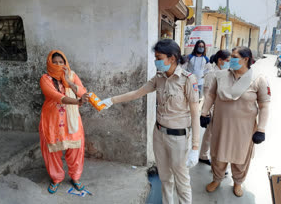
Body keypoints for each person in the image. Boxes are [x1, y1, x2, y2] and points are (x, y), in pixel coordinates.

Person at [98, 39, 200, 204]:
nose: (156, 61)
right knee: (165, 177)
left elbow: (195, 113)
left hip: (178, 138)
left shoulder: (188, 79)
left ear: (172, 58)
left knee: (182, 180)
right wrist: (111, 100)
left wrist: (195, 147)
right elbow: (137, 93)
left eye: (159, 58)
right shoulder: (159, 77)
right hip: (159, 134)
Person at [201, 46, 271, 197]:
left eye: (234, 57)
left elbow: (264, 105)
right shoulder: (220, 76)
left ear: (246, 59)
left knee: (240, 158)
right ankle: (217, 179)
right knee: (218, 155)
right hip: (221, 125)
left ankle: (238, 182)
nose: (231, 60)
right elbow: (211, 95)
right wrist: (204, 112)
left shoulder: (258, 79)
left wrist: (261, 129)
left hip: (244, 129)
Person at [39, 50, 89, 194]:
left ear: (66, 63)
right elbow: (55, 96)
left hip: (72, 120)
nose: (58, 65)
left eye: (61, 62)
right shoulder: (45, 79)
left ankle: (76, 177)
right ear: (50, 63)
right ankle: (56, 178)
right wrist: (77, 102)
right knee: (52, 150)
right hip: (52, 119)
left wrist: (69, 80)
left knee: (76, 149)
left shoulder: (72, 75)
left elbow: (82, 92)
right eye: (55, 62)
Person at [199, 50, 231, 166]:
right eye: (227, 61)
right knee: (210, 134)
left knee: (214, 134)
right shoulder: (212, 73)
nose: (229, 63)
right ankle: (204, 155)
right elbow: (207, 94)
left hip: (222, 108)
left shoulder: (226, 73)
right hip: (213, 108)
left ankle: (205, 155)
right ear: (220, 60)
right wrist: (206, 112)